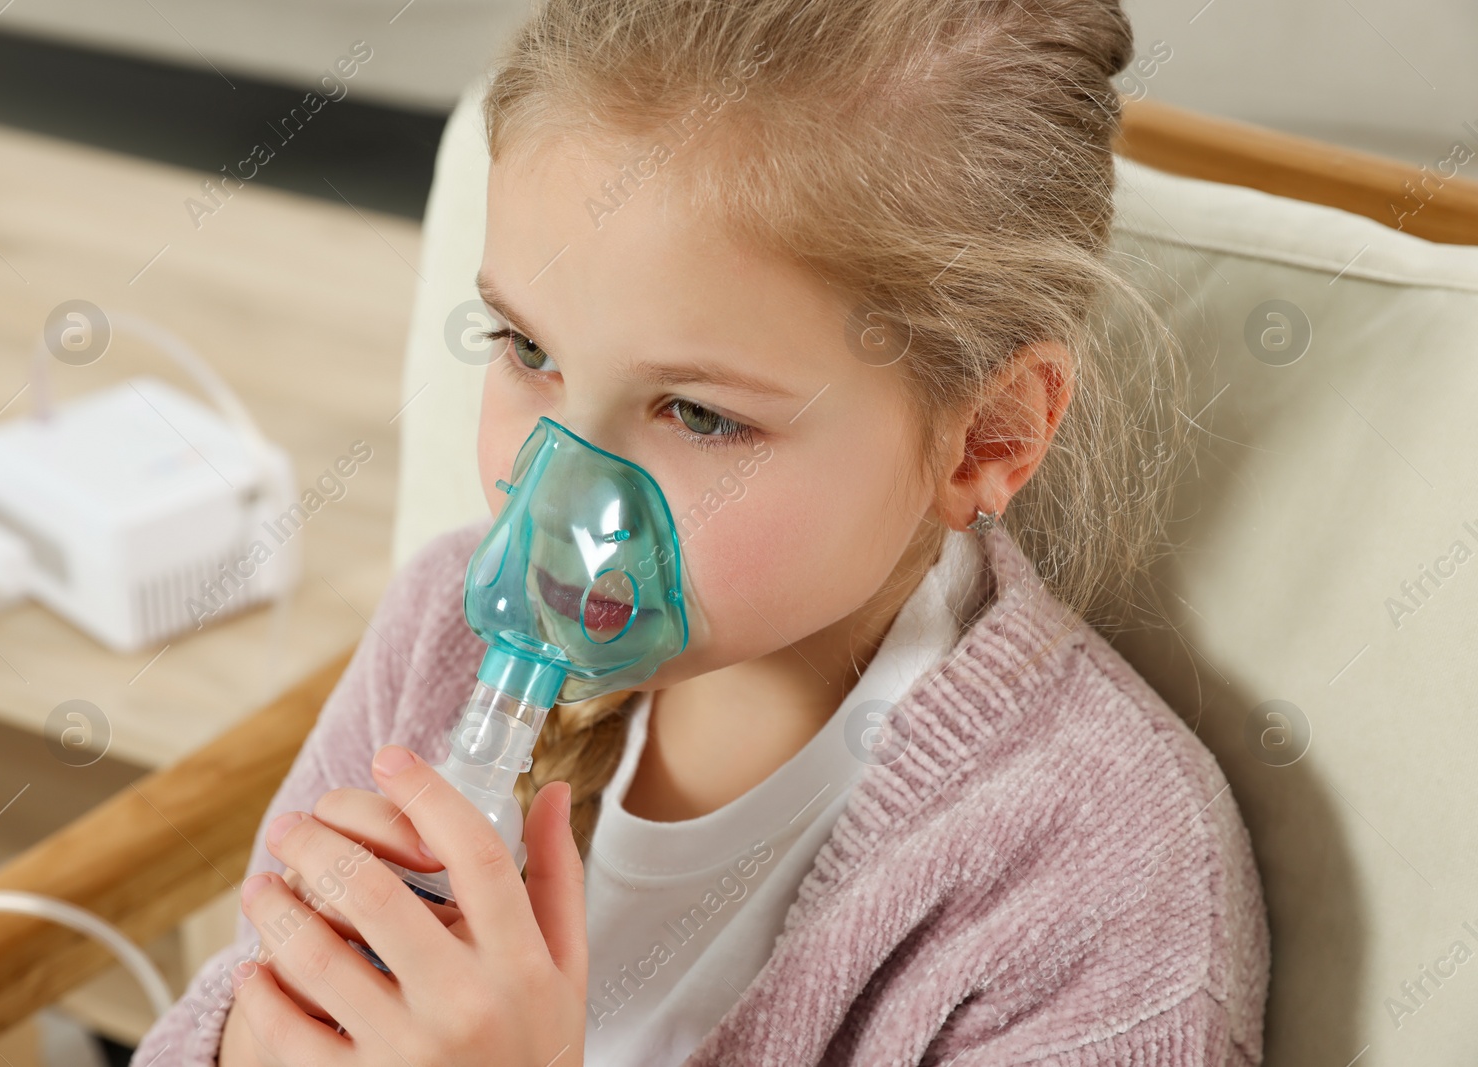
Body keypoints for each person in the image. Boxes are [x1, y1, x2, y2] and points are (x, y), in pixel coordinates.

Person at [135, 0, 1269, 1062]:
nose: (555, 507)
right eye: (528, 350)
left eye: (699, 414)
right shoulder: (440, 632)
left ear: (987, 437)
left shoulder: (1099, 887)